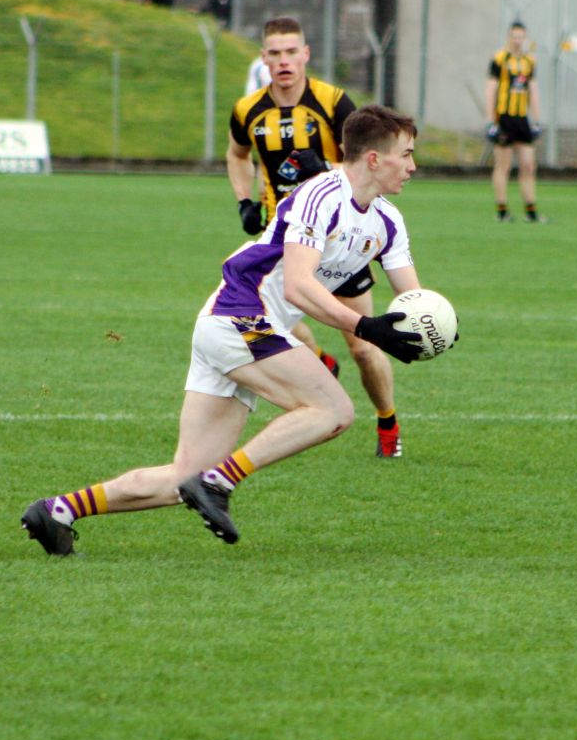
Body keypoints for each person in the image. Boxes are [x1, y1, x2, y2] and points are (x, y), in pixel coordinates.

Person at [21, 106, 426, 555]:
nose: (412, 166)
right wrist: (367, 327)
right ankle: (220, 483)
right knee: (333, 409)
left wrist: (431, 328)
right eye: (405, 155)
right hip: (240, 316)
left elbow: (415, 298)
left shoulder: (388, 220)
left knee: (182, 479)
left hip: (241, 329)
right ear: (373, 158)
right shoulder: (321, 196)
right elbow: (298, 284)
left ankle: (57, 511)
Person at [226, 17, 405, 459]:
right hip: (284, 241)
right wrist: (243, 200)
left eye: (291, 52)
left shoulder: (332, 102)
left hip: (341, 242)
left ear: (306, 54)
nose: (283, 61)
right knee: (275, 319)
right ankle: (319, 365)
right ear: (263, 58)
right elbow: (236, 154)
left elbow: (366, 160)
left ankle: (388, 422)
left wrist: (322, 171)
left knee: (364, 347)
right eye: (274, 53)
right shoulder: (247, 109)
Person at [484, 21, 543, 223]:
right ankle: (502, 210)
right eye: (514, 37)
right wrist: (491, 120)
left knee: (528, 165)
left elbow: (533, 91)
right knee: (504, 165)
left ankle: (531, 211)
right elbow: (491, 89)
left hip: (521, 119)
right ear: (509, 37)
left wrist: (536, 119)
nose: (518, 41)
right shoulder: (500, 59)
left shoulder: (529, 61)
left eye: (521, 37)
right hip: (504, 117)